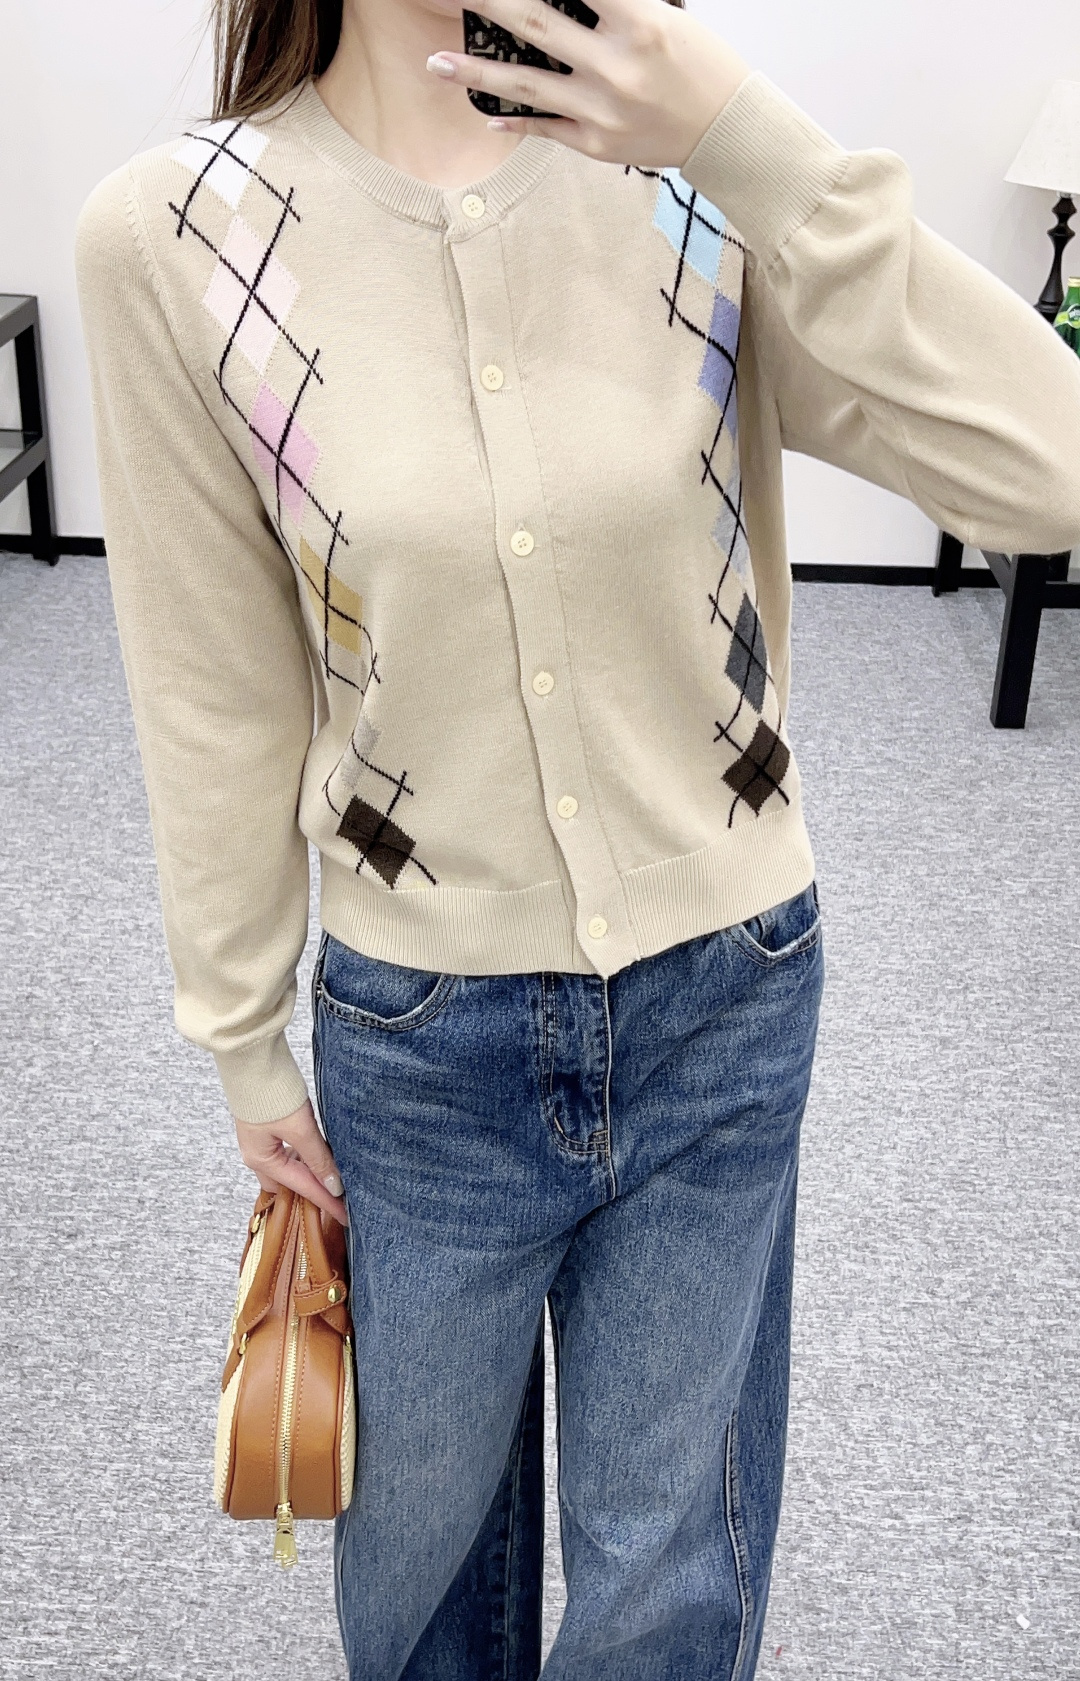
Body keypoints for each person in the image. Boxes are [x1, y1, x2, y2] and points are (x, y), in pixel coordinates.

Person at [74, 1, 1080, 1676]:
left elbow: (1052, 469)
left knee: (670, 1586)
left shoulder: (689, 178)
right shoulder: (179, 236)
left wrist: (742, 138)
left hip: (727, 996)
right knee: (420, 1588)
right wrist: (241, 1034)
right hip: (424, 1034)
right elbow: (212, 692)